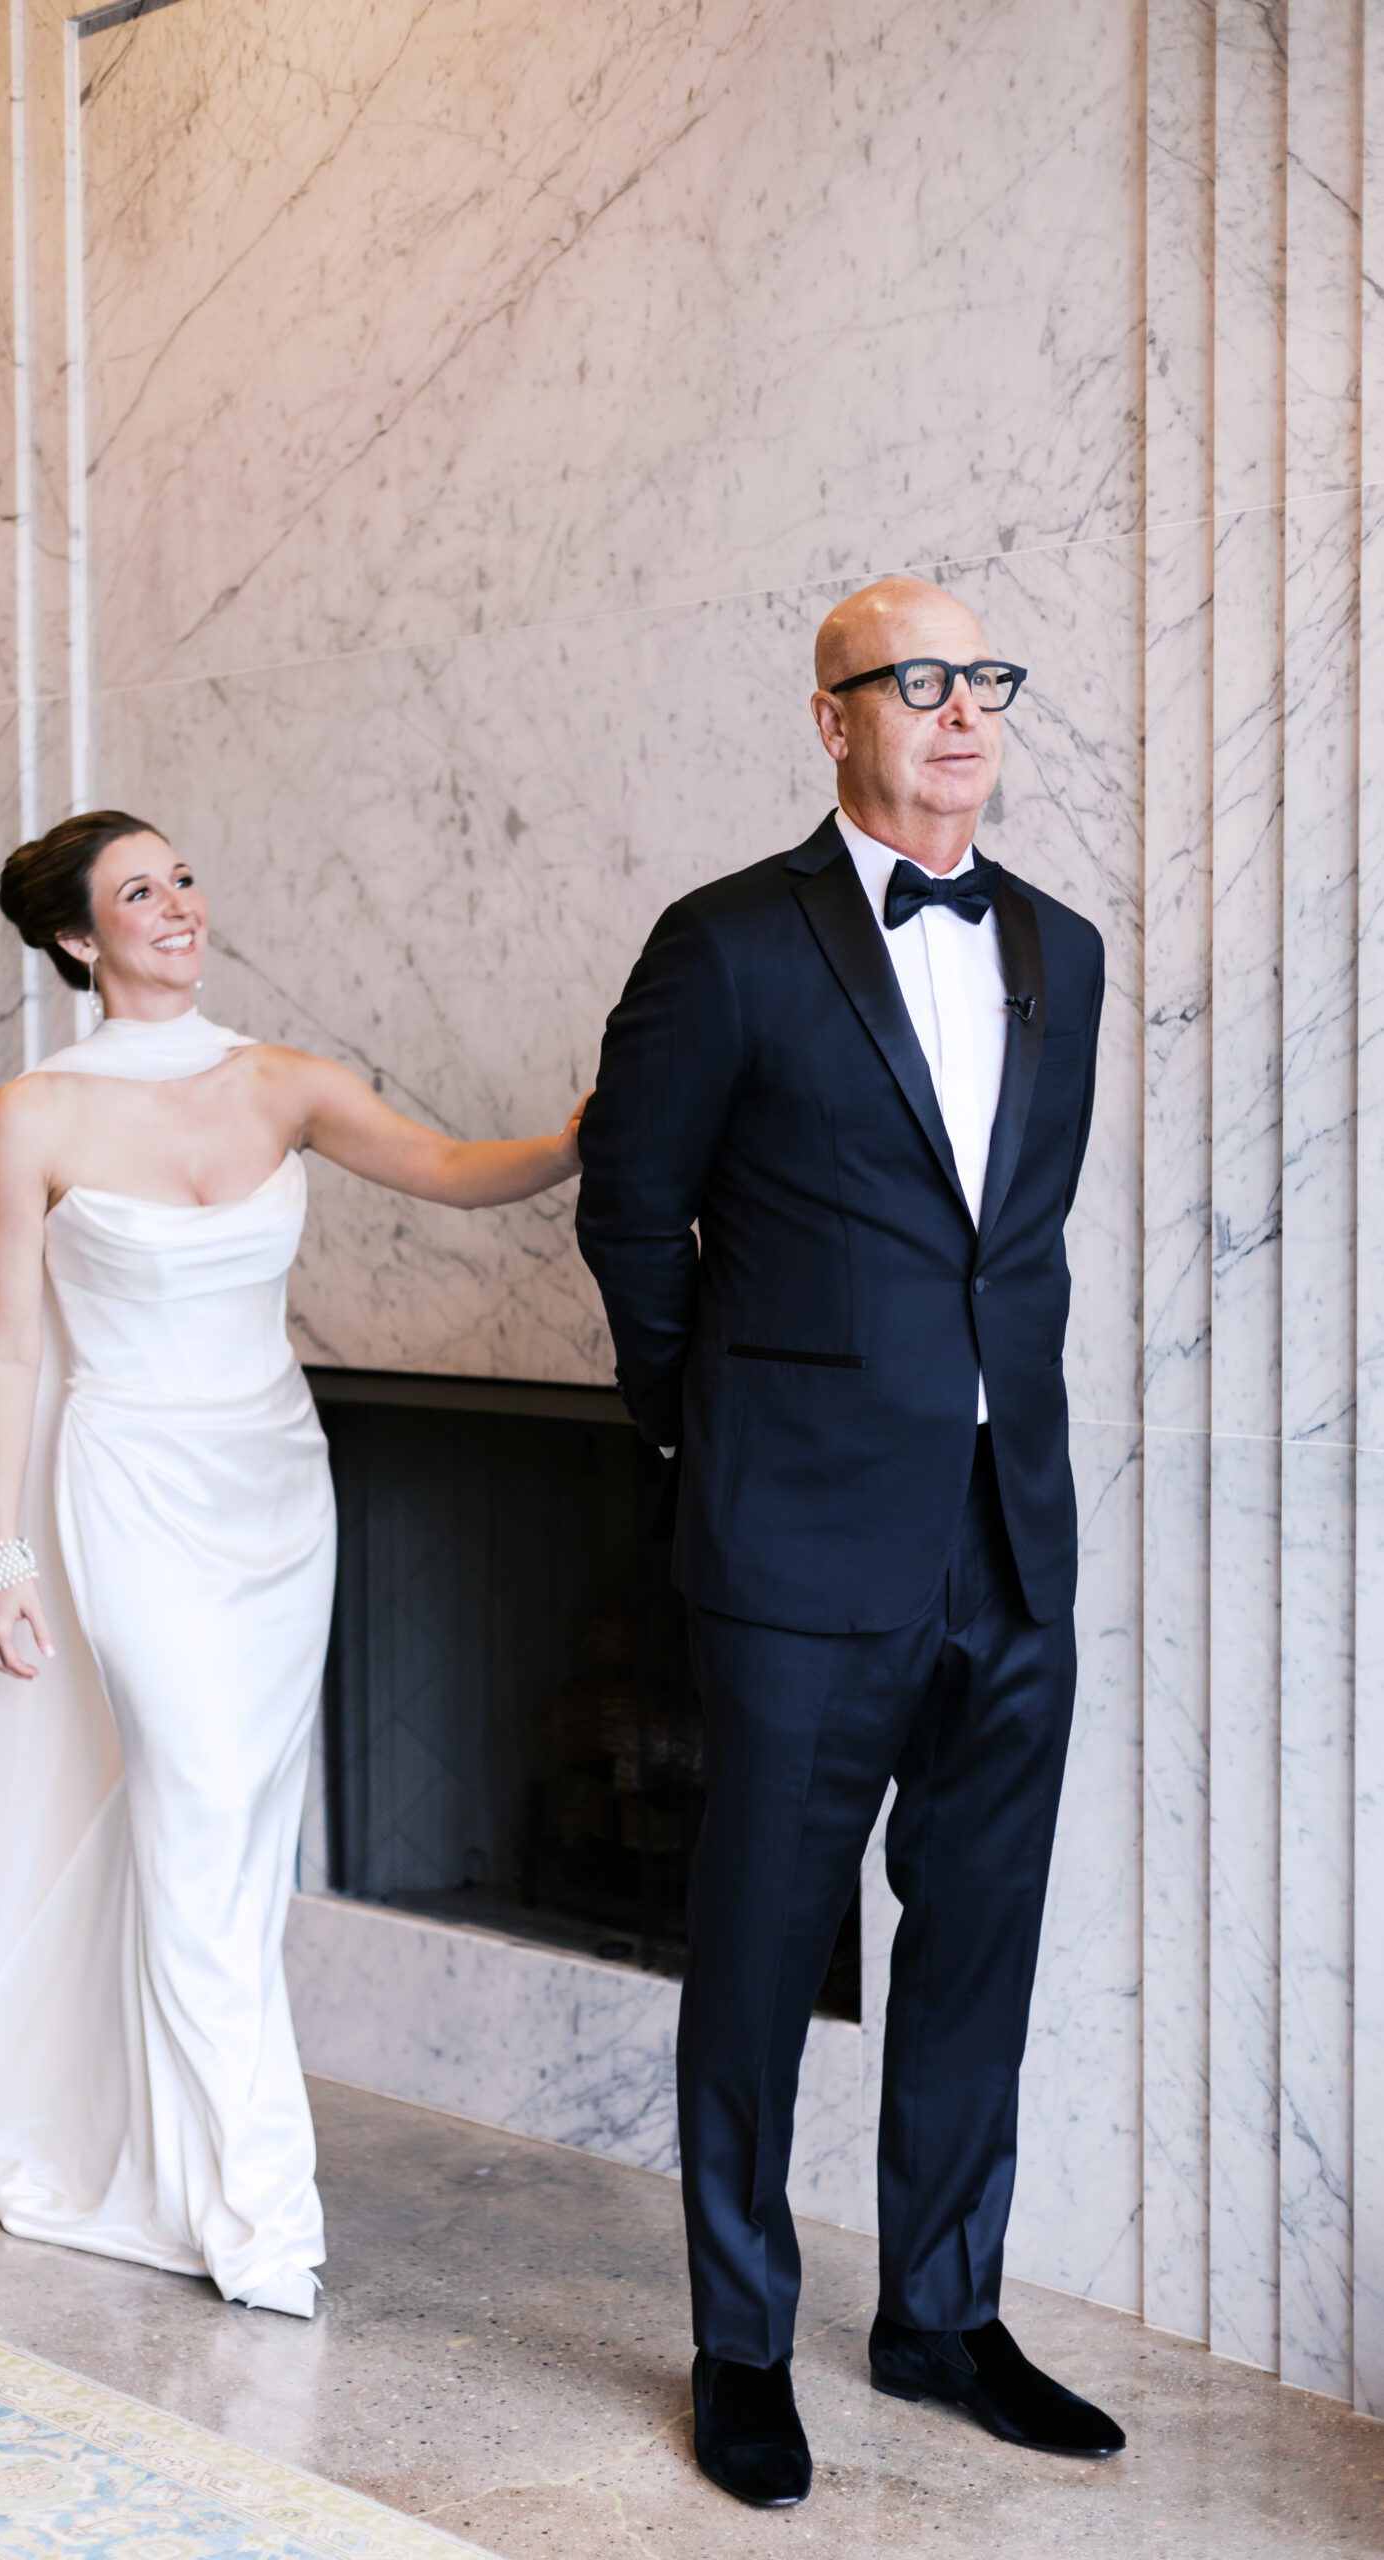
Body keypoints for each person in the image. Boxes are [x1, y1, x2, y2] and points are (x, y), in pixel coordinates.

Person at [0, 809, 582, 2318]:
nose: (178, 905)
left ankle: (181, 2145)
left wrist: (578, 1138)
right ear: (79, 941)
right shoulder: (31, 1115)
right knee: (194, 1800)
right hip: (127, 1489)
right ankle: (252, 2202)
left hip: (277, 1494)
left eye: (183, 877)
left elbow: (449, 1168)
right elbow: (10, 1347)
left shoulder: (282, 1080)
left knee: (234, 1838)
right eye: (138, 893)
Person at [574, 576, 1124, 2505]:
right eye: (916, 682)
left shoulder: (1064, 947)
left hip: (1014, 1535)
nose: (960, 714)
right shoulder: (724, 948)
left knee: (979, 1944)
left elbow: (1011, 1245)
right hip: (796, 1542)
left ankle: (941, 2315)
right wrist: (701, 1422)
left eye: (984, 681)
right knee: (761, 1947)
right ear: (833, 717)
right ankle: (740, 2342)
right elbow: (635, 1222)